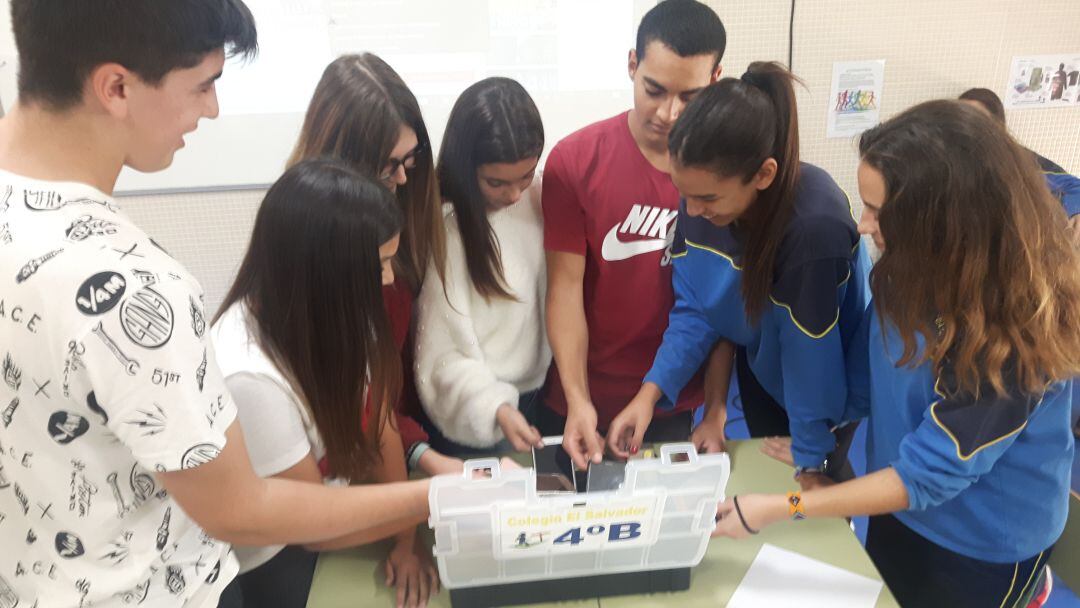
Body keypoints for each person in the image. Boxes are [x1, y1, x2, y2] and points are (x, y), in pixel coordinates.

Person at [0, 3, 430, 607]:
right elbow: (242, 509)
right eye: (202, 85)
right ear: (116, 87)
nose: (212, 109)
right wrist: (438, 498)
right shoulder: (134, 288)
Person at [713, 100, 1079, 608]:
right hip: (903, 508)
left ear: (944, 220)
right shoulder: (904, 270)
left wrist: (786, 506)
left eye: (879, 212)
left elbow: (927, 474)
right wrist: (814, 438)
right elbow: (868, 377)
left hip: (984, 544)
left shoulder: (1015, 337)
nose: (863, 225)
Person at [611, 62, 870, 489]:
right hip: (765, 365)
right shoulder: (702, 197)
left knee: (814, 492)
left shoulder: (812, 229)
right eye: (684, 194)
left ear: (763, 175)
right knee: (772, 477)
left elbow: (812, 356)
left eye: (706, 199)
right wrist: (650, 393)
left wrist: (812, 456)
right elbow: (697, 309)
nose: (692, 212)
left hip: (829, 387)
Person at [211, 160, 439, 608]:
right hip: (275, 557)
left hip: (330, 513)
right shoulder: (248, 376)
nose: (389, 278)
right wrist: (433, 500)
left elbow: (381, 428)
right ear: (323, 270)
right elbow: (309, 527)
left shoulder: (343, 308)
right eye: (381, 263)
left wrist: (405, 541)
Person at [542, 0, 729, 469]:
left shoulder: (725, 174)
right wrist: (577, 398)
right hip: (580, 395)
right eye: (654, 89)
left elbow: (724, 303)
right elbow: (564, 289)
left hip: (672, 397)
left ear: (716, 80)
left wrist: (717, 406)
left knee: (658, 530)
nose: (668, 113)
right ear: (632, 65)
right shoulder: (574, 161)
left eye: (689, 97)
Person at [288, 53, 462, 477]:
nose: (403, 179)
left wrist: (417, 452)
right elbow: (352, 403)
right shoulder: (308, 245)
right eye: (387, 166)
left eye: (411, 159)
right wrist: (415, 460)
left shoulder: (410, 213)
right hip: (344, 464)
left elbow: (384, 393)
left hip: (399, 442)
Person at [414, 77, 549, 455]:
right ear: (466, 164)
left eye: (526, 175)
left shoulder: (537, 197)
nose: (514, 194)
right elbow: (441, 357)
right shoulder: (446, 227)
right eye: (496, 182)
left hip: (537, 396)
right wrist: (496, 407)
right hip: (477, 413)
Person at [958, 88, 1080, 228]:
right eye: (961, 116)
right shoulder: (943, 157)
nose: (967, 125)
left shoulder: (1019, 159)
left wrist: (1076, 211)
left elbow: (1074, 186)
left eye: (977, 119)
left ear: (997, 124)